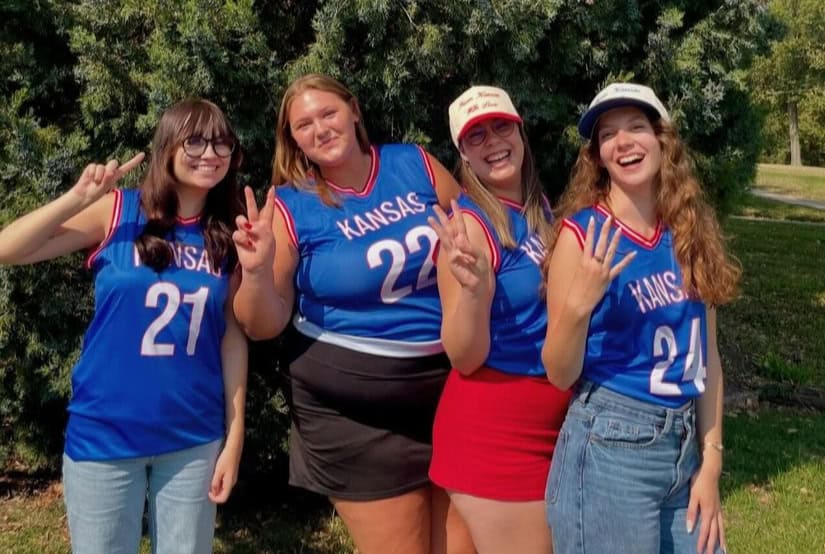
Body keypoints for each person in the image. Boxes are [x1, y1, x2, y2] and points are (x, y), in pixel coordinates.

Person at [232, 73, 474, 554]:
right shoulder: (291, 205)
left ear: (354, 110)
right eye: (303, 124)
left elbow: (475, 230)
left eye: (328, 113)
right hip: (358, 418)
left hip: (450, 395)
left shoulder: (414, 163)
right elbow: (262, 324)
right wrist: (256, 273)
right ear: (293, 139)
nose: (319, 129)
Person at [0, 99, 248, 553]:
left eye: (221, 142)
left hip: (193, 439)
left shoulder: (228, 236)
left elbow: (231, 339)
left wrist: (234, 438)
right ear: (167, 146)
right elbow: (8, 248)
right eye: (195, 139)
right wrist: (77, 199)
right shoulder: (119, 211)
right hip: (105, 432)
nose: (209, 152)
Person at [542, 83, 739, 554]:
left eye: (636, 127)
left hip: (684, 446)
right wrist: (577, 306)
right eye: (608, 135)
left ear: (662, 140)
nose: (623, 141)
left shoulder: (688, 229)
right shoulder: (582, 235)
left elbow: (707, 358)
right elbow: (558, 371)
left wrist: (710, 464)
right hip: (610, 445)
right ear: (599, 157)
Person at [426, 85, 572, 554]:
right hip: (499, 437)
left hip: (542, 426)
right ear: (463, 156)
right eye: (476, 137)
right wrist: (471, 292)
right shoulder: (469, 227)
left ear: (521, 133)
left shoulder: (536, 209)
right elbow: (464, 356)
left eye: (500, 127)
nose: (492, 143)